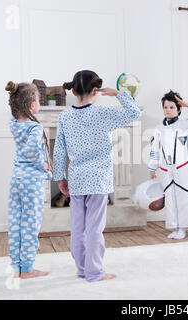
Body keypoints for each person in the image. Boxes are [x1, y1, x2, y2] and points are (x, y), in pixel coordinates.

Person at [53, 70, 141, 282]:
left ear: (73, 91)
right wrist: (119, 93)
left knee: (78, 228)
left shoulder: (65, 116)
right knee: (94, 228)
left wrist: (60, 177)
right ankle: (94, 272)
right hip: (98, 180)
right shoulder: (102, 113)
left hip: (76, 179)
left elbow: (58, 150)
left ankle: (83, 268)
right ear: (96, 91)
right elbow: (134, 113)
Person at [5, 81, 53, 279]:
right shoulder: (34, 127)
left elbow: (26, 149)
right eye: (39, 101)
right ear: (32, 105)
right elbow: (33, 151)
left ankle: (16, 267)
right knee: (31, 224)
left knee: (16, 223)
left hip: (17, 179)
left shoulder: (14, 124)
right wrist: (44, 165)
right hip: (32, 181)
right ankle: (27, 269)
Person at [148, 90, 188, 239]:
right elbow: (154, 149)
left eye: (172, 107)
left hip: (181, 168)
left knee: (183, 197)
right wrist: (152, 168)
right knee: (170, 197)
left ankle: (183, 228)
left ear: (179, 109)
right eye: (165, 107)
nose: (168, 110)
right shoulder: (158, 129)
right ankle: (174, 226)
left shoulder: (184, 124)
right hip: (165, 169)